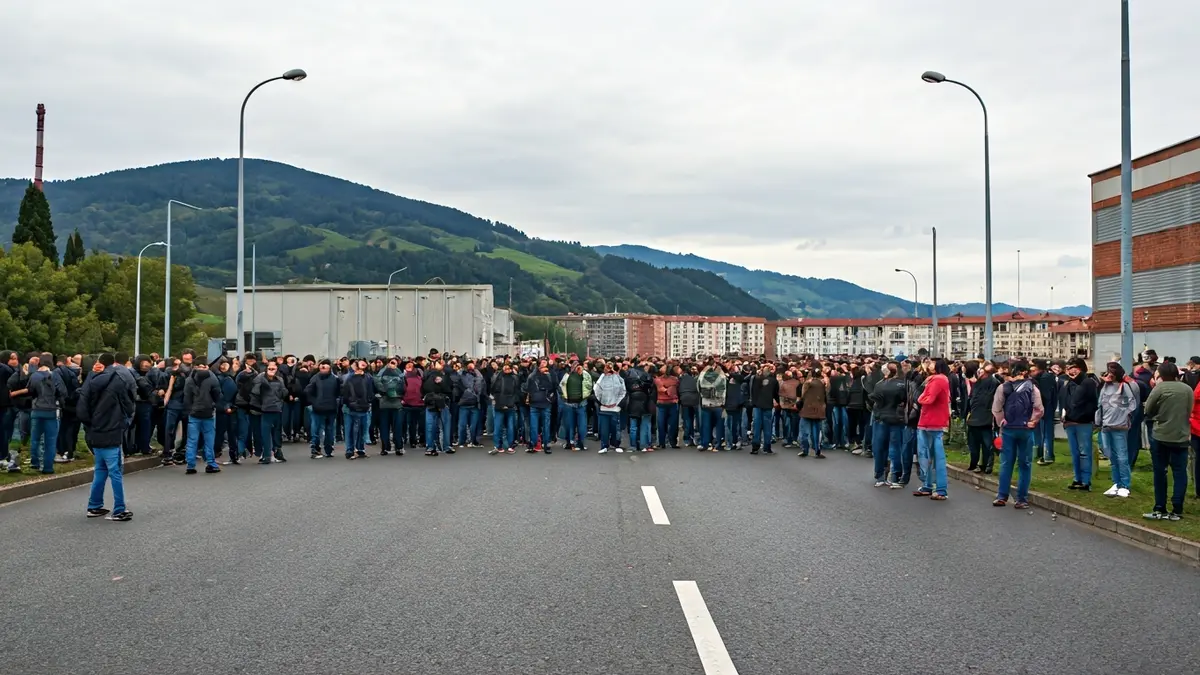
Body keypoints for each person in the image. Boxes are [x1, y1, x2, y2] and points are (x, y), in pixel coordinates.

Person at [77, 353, 135, 521]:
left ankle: (94, 506)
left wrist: (91, 425)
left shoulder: (91, 381)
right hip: (112, 430)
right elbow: (128, 404)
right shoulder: (119, 380)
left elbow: (82, 407)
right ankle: (119, 509)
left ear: (99, 364)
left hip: (95, 431)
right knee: (115, 471)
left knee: (100, 470)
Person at [1142, 362, 1191, 521]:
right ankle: (1177, 509)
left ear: (1161, 375)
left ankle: (1159, 507)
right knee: (1180, 472)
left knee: (1160, 471)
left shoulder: (1159, 389)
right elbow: (1189, 410)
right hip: (1181, 435)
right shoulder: (1187, 389)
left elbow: (1148, 409)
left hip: (1161, 435)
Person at [991, 361, 1044, 509]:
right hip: (1025, 429)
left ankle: (1002, 496)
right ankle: (1022, 499)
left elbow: (996, 408)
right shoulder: (1033, 388)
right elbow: (1039, 408)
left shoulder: (1003, 388)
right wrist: (1032, 421)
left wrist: (1002, 422)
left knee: (1006, 463)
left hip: (1008, 429)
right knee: (1025, 464)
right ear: (1025, 372)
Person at [1096, 362, 1139, 498]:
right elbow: (1100, 404)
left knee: (1121, 456)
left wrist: (1121, 414)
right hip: (1106, 425)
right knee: (1111, 455)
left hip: (1119, 425)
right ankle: (1116, 483)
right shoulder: (1104, 387)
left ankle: (1125, 484)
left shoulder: (1124, 386)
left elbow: (1131, 404)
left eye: (1111, 372)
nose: (1109, 374)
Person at [914, 359, 951, 500]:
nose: (929, 365)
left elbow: (927, 399)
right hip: (932, 420)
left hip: (931, 421)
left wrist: (921, 398)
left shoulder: (937, 380)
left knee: (930, 456)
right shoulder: (937, 379)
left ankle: (937, 488)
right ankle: (930, 486)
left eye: (932, 363)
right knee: (930, 456)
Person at [1060, 357, 1099, 491]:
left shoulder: (1088, 382)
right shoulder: (1067, 384)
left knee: (1084, 452)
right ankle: (1077, 478)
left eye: (1073, 368)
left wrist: (1088, 417)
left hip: (1083, 422)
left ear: (1080, 368)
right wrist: (1065, 416)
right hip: (1070, 422)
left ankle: (1086, 481)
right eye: (1068, 368)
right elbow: (1065, 401)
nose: (1070, 371)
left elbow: (1092, 402)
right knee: (1075, 452)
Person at [868, 361, 906, 487]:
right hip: (896, 419)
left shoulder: (880, 385)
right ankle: (895, 476)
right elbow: (905, 400)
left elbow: (874, 400)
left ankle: (880, 475)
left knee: (879, 447)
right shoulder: (902, 384)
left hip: (881, 418)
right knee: (895, 448)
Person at [28, 353, 66, 474]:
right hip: (52, 411)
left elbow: (30, 391)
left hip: (37, 409)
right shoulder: (55, 376)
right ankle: (48, 467)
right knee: (50, 440)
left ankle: (35, 462)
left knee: (35, 439)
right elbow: (63, 392)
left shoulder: (34, 376)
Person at [182, 360, 221, 475]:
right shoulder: (212, 377)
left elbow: (186, 398)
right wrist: (214, 405)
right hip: (208, 413)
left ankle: (190, 465)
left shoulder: (189, 379)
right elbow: (217, 394)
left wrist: (189, 410)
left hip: (194, 414)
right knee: (209, 439)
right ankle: (211, 463)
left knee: (192, 440)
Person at [251, 360, 290, 464]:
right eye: (270, 368)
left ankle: (275, 452)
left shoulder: (279, 379)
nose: (272, 370)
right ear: (266, 369)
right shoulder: (261, 378)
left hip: (276, 409)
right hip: (266, 409)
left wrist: (281, 396)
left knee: (275, 432)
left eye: (274, 368)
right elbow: (255, 393)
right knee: (266, 433)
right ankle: (268, 454)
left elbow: (284, 392)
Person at [964, 362, 999, 474]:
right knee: (982, 444)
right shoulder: (980, 383)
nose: (979, 372)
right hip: (978, 417)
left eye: (982, 370)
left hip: (984, 418)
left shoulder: (992, 383)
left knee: (984, 444)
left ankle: (982, 465)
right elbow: (972, 399)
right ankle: (981, 465)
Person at [421, 360, 453, 455]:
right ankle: (446, 446)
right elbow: (448, 388)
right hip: (442, 402)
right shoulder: (443, 375)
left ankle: (430, 447)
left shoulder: (426, 375)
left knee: (430, 426)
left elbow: (423, 389)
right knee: (445, 426)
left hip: (431, 402)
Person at [488, 362, 521, 455]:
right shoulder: (500, 377)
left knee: (508, 427)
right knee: (499, 427)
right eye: (505, 368)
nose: (507, 370)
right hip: (501, 405)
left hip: (507, 405)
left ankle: (507, 445)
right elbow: (493, 390)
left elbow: (516, 392)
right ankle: (499, 446)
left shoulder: (510, 378)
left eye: (508, 368)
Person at [594, 363, 626, 453]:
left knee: (615, 428)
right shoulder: (602, 378)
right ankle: (604, 446)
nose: (609, 370)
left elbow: (623, 390)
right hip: (604, 408)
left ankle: (616, 445)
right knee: (604, 429)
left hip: (615, 408)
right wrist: (601, 402)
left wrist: (617, 402)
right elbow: (597, 388)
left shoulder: (618, 378)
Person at [375, 358, 405, 455]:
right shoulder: (398, 372)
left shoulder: (381, 372)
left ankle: (385, 448)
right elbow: (403, 385)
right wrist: (396, 393)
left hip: (384, 402)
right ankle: (398, 447)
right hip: (396, 403)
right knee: (397, 427)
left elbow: (377, 382)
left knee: (384, 427)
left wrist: (384, 392)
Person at [798, 369, 827, 458]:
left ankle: (805, 450)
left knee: (804, 431)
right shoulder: (822, 384)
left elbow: (803, 395)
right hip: (818, 409)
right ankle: (817, 450)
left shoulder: (807, 383)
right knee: (816, 431)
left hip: (807, 408)